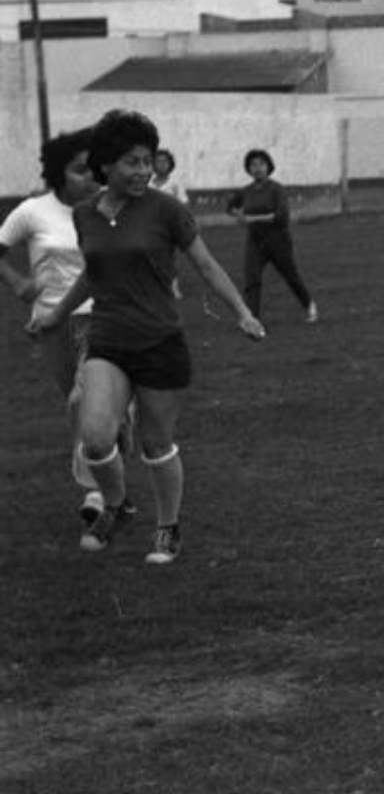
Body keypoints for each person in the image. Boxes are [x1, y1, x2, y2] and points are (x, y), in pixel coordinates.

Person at [29, 110, 265, 565]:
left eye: (147, 161)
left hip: (160, 342)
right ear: (106, 166)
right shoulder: (85, 215)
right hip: (107, 340)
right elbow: (93, 275)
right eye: (131, 162)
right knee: (96, 437)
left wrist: (242, 312)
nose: (143, 171)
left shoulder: (166, 209)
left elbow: (207, 264)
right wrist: (58, 314)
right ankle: (118, 505)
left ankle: (167, 528)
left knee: (156, 443)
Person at [2, 127, 138, 529]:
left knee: (83, 400)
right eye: (80, 170)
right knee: (88, 407)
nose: (90, 178)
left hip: (107, 316)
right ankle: (117, 456)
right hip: (53, 323)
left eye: (94, 170)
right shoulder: (32, 212)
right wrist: (19, 284)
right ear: (59, 173)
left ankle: (96, 493)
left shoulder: (110, 208)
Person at [226, 148, 318, 323]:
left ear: (269, 167)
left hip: (278, 241)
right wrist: (238, 215)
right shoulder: (246, 191)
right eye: (253, 165)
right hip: (255, 241)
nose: (257, 168)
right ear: (248, 169)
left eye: (261, 164)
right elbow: (230, 208)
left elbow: (281, 216)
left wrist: (252, 218)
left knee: (290, 276)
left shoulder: (277, 189)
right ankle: (252, 318)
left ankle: (309, 304)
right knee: (251, 278)